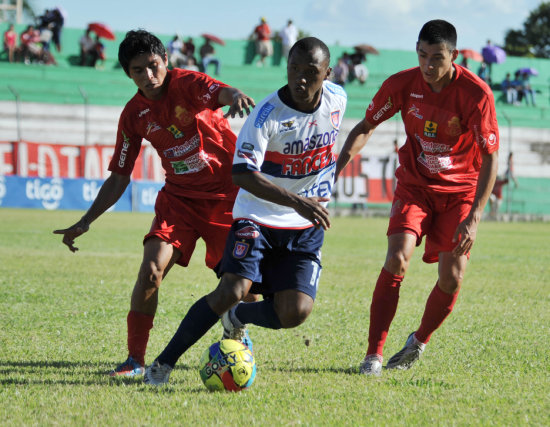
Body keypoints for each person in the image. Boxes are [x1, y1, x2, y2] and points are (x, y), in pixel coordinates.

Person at [143, 37, 347, 385]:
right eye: (293, 69)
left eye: (310, 72)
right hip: (257, 217)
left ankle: (236, 317)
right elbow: (241, 174)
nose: (299, 78)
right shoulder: (266, 114)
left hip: (305, 225)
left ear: (326, 74)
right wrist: (299, 201)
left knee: (295, 312)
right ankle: (162, 364)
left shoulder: (338, 99)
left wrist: (320, 188)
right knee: (231, 289)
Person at [53, 29, 256, 377]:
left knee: (244, 289)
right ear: (128, 74)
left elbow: (220, 91)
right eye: (137, 70)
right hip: (179, 201)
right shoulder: (133, 115)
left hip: (228, 199)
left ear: (165, 61)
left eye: (153, 65)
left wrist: (235, 94)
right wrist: (85, 221)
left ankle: (235, 326)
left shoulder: (186, 83)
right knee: (150, 271)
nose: (148, 76)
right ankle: (134, 361)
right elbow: (119, 176)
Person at [335, 19, 499, 376]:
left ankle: (418, 341)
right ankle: (372, 357)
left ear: (453, 56)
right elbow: (366, 127)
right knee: (397, 258)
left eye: (437, 57)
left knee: (452, 277)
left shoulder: (477, 95)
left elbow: (490, 157)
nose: (428, 65)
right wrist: (335, 170)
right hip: (416, 186)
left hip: (460, 195)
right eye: (422, 55)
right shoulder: (402, 85)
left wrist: (475, 215)